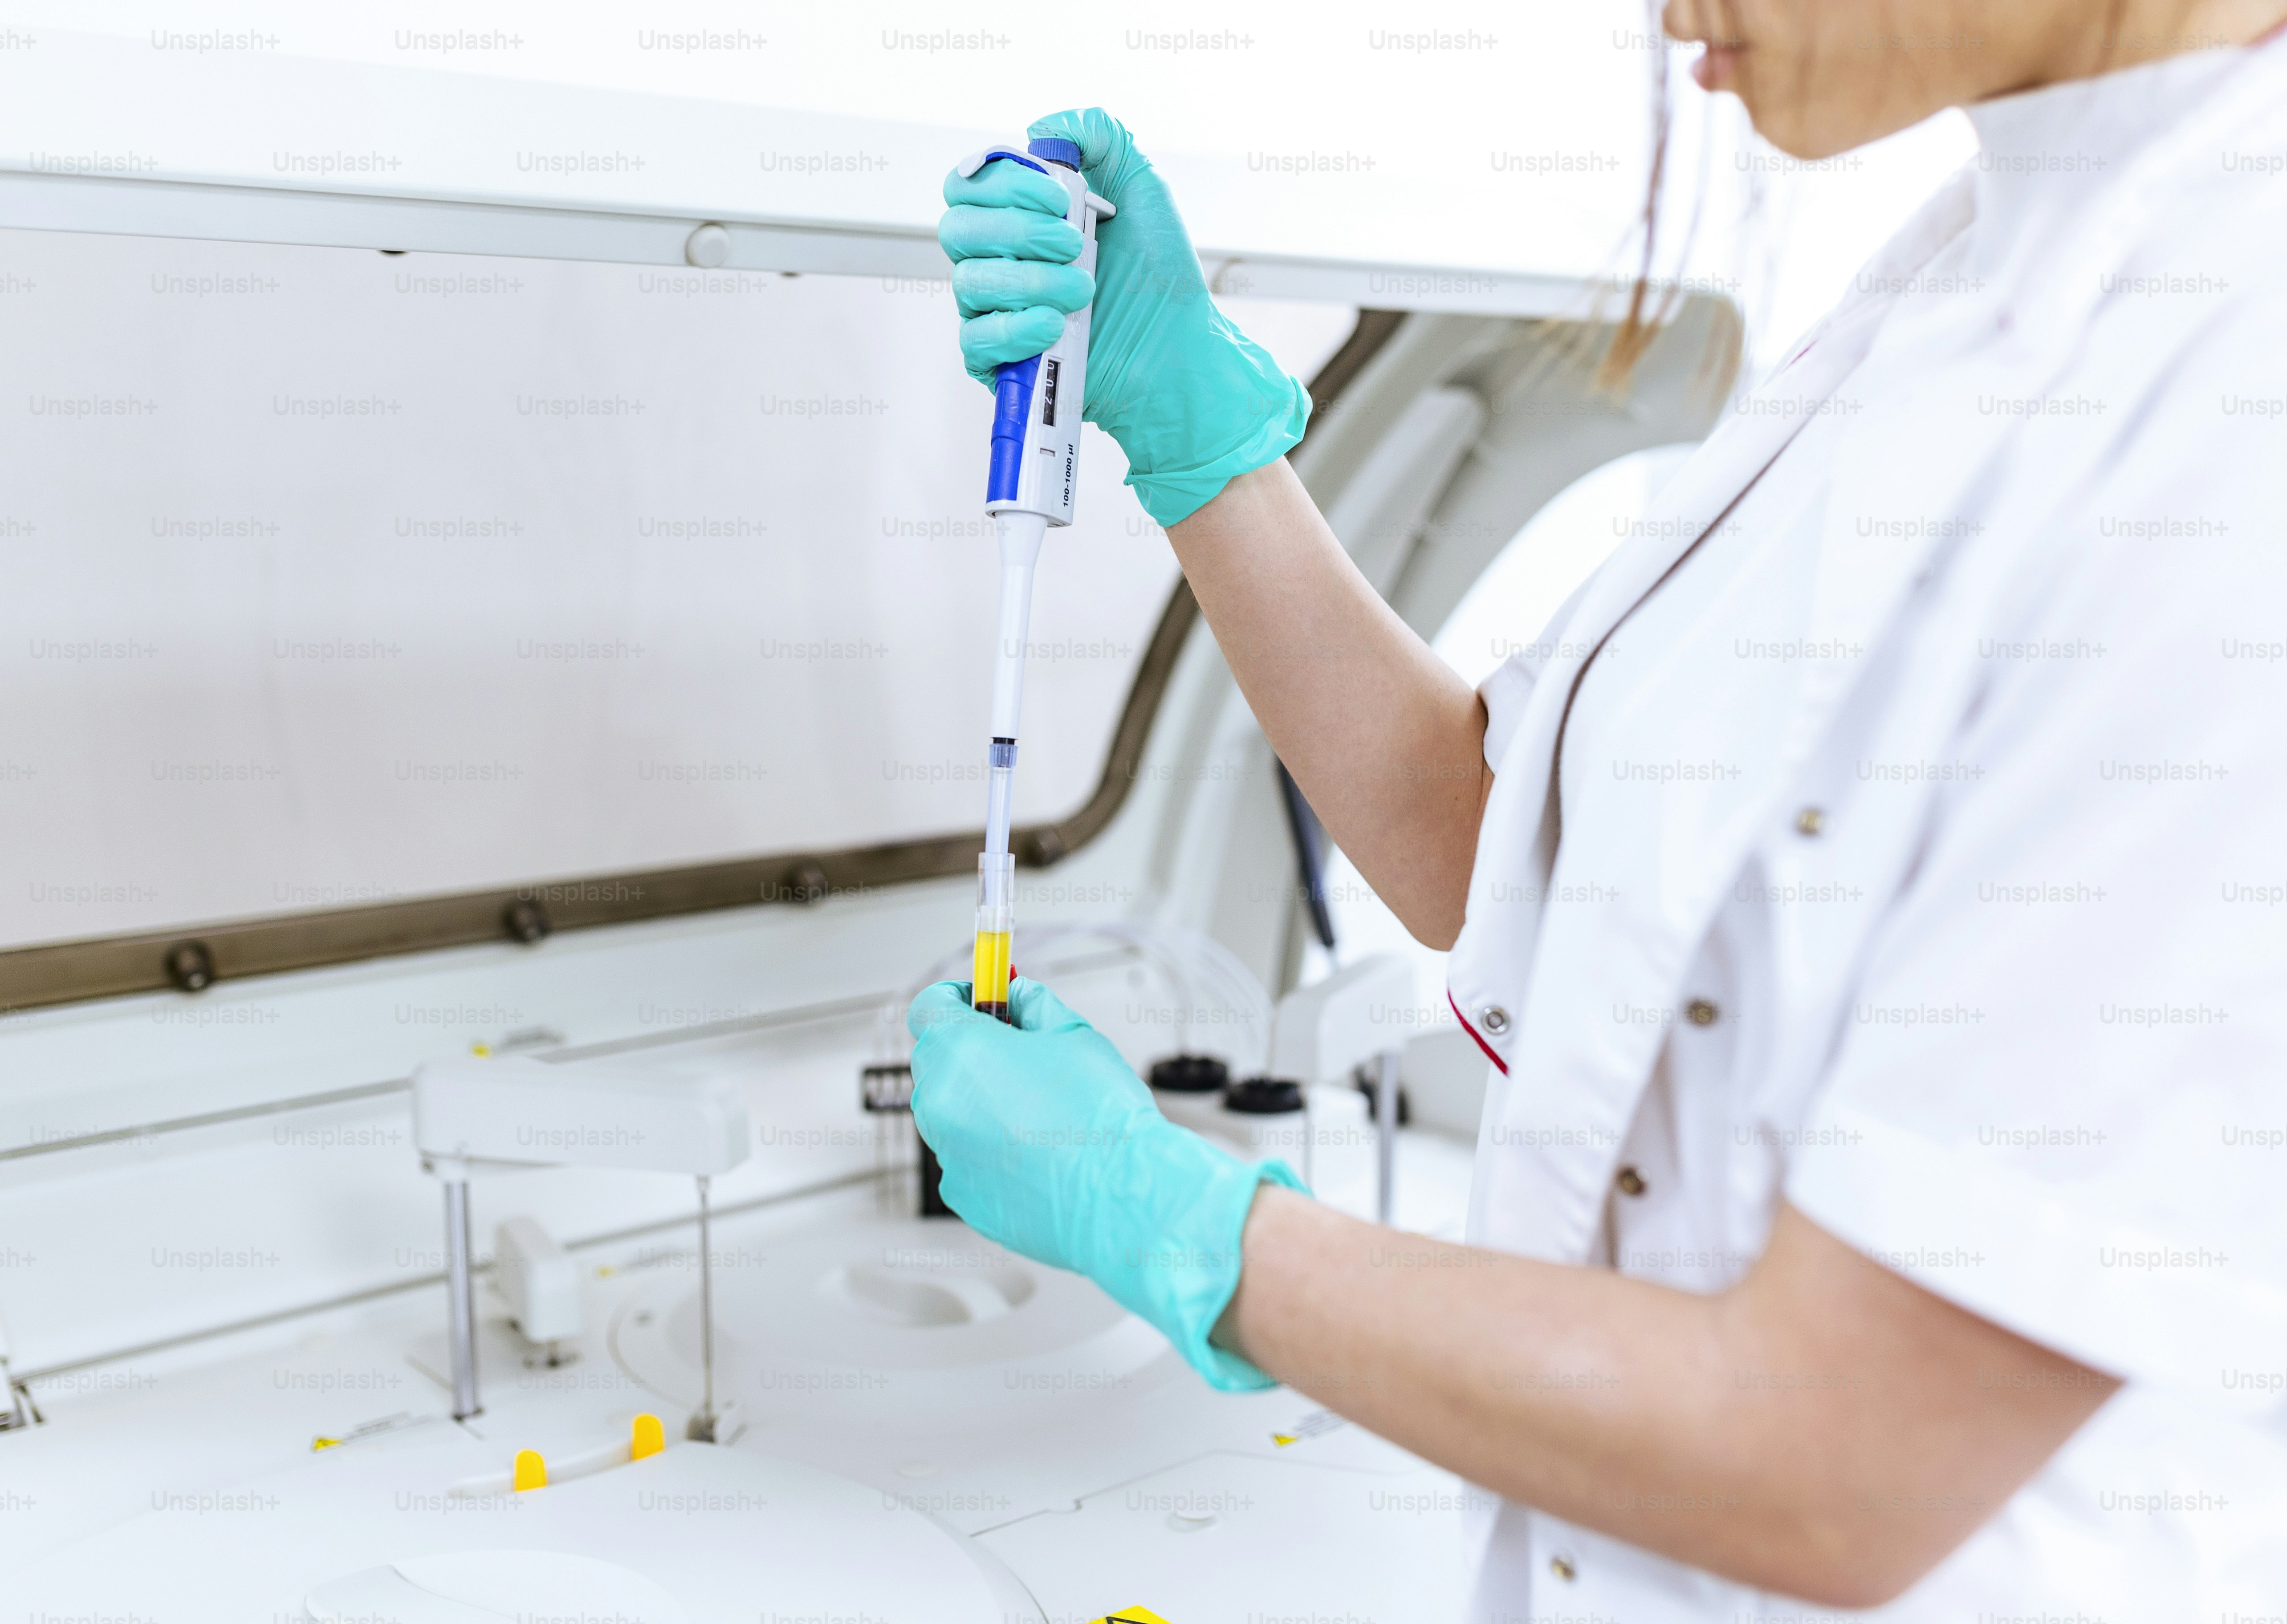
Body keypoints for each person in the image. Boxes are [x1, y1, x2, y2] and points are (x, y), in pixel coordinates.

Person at [907, 1, 2287, 1615]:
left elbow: (1845, 1461)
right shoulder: (1968, 265)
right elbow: (1493, 847)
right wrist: (1202, 440)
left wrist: (1185, 1229)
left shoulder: (2226, 401)